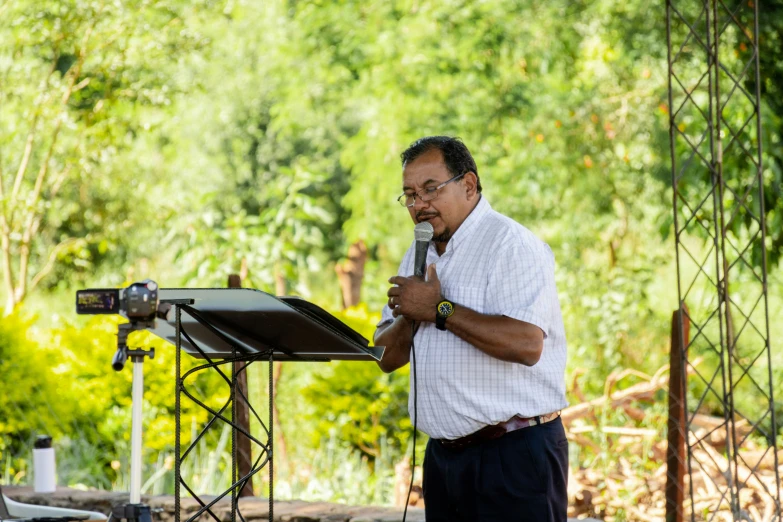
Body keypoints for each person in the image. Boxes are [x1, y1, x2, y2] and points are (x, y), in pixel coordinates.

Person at [374, 136, 569, 522]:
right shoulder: (419, 251)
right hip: (445, 460)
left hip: (513, 456)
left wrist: (439, 309)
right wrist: (412, 313)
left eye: (431, 189)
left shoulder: (511, 245)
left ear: (469, 185)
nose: (419, 204)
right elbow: (385, 356)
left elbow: (527, 344)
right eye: (410, 195)